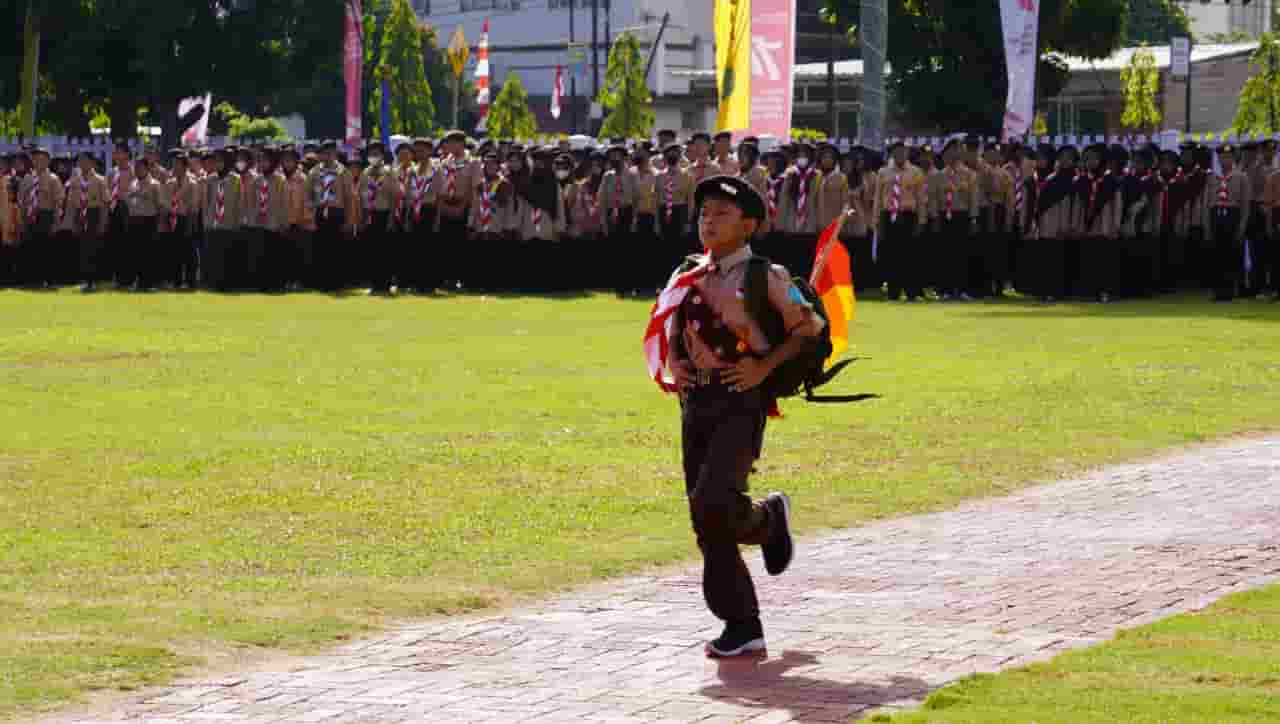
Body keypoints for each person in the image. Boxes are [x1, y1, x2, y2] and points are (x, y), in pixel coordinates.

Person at [664, 175, 820, 658]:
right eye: (704, 214)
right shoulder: (686, 273)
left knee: (713, 500)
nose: (708, 222)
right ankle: (765, 534)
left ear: (748, 225)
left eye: (722, 215)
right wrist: (676, 362)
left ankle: (743, 616)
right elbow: (671, 322)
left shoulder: (765, 275)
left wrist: (764, 366)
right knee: (704, 514)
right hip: (696, 403)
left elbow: (809, 328)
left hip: (740, 400)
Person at [874, 141, 926, 301]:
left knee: (909, 255)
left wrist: (921, 220)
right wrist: (877, 220)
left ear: (908, 153)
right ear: (892, 154)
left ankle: (911, 291)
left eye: (903, 152)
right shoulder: (883, 172)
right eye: (897, 152)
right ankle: (893, 291)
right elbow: (878, 197)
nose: (900, 155)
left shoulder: (916, 172)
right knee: (891, 255)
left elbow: (920, 198)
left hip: (908, 215)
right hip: (888, 215)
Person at [17, 147, 64, 288]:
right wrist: (22, 218)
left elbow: (59, 201)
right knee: (31, 248)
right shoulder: (27, 178)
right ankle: (33, 279)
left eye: (42, 159)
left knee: (47, 249)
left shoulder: (53, 179)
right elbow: (21, 200)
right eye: (35, 159)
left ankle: (49, 279)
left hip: (46, 215)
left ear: (48, 161)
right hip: (30, 216)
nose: (38, 162)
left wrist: (56, 221)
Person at [1211, 144, 1250, 301]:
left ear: (1234, 158)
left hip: (1233, 216)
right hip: (1217, 216)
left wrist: (1242, 225)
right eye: (1221, 157)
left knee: (1233, 255)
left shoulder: (1241, 177)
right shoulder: (1213, 177)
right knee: (1218, 255)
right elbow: (1209, 202)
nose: (1223, 160)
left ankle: (1232, 290)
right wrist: (1208, 225)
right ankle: (1219, 290)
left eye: (1227, 157)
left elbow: (1245, 205)